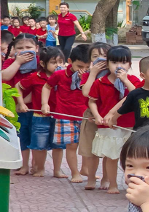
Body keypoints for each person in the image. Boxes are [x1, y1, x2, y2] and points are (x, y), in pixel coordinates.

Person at [88, 45, 139, 193]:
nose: (119, 66)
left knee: (131, 157)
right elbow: (92, 101)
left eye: (123, 62)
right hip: (108, 126)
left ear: (129, 64)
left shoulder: (133, 80)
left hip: (129, 125)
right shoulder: (100, 82)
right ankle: (112, 184)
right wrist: (97, 116)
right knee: (111, 156)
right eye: (114, 62)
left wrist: (125, 81)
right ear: (107, 63)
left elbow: (136, 93)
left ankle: (132, 184)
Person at [42, 44, 91, 182]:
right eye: (80, 67)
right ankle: (75, 173)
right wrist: (44, 103)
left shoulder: (90, 76)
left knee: (86, 145)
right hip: (65, 115)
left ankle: (85, 169)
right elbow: (47, 86)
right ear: (70, 62)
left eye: (87, 67)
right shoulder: (59, 74)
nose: (83, 70)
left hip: (85, 115)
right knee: (72, 145)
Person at [17, 46, 65, 176]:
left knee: (58, 145)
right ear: (43, 63)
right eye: (54, 62)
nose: (58, 65)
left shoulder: (64, 77)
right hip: (39, 115)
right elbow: (18, 87)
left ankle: (57, 170)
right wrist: (21, 103)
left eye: (61, 62)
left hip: (59, 115)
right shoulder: (35, 77)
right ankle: (40, 168)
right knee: (39, 144)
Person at [6, 34, 41, 175]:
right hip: (16, 108)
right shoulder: (10, 62)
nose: (25, 51)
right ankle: (23, 165)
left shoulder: (41, 62)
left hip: (37, 107)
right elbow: (6, 76)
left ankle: (37, 165)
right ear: (14, 49)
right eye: (20, 48)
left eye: (29, 47)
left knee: (36, 136)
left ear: (36, 48)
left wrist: (24, 102)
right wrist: (17, 62)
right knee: (21, 137)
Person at [78, 42, 110, 187]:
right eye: (95, 56)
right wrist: (93, 73)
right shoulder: (88, 75)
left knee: (109, 151)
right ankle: (91, 178)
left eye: (104, 56)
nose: (100, 60)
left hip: (109, 117)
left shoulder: (114, 76)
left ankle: (107, 178)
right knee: (91, 151)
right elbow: (86, 92)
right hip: (91, 116)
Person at [114, 56, 149, 130]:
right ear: (143, 75)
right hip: (140, 133)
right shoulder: (135, 93)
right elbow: (122, 109)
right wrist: (113, 119)